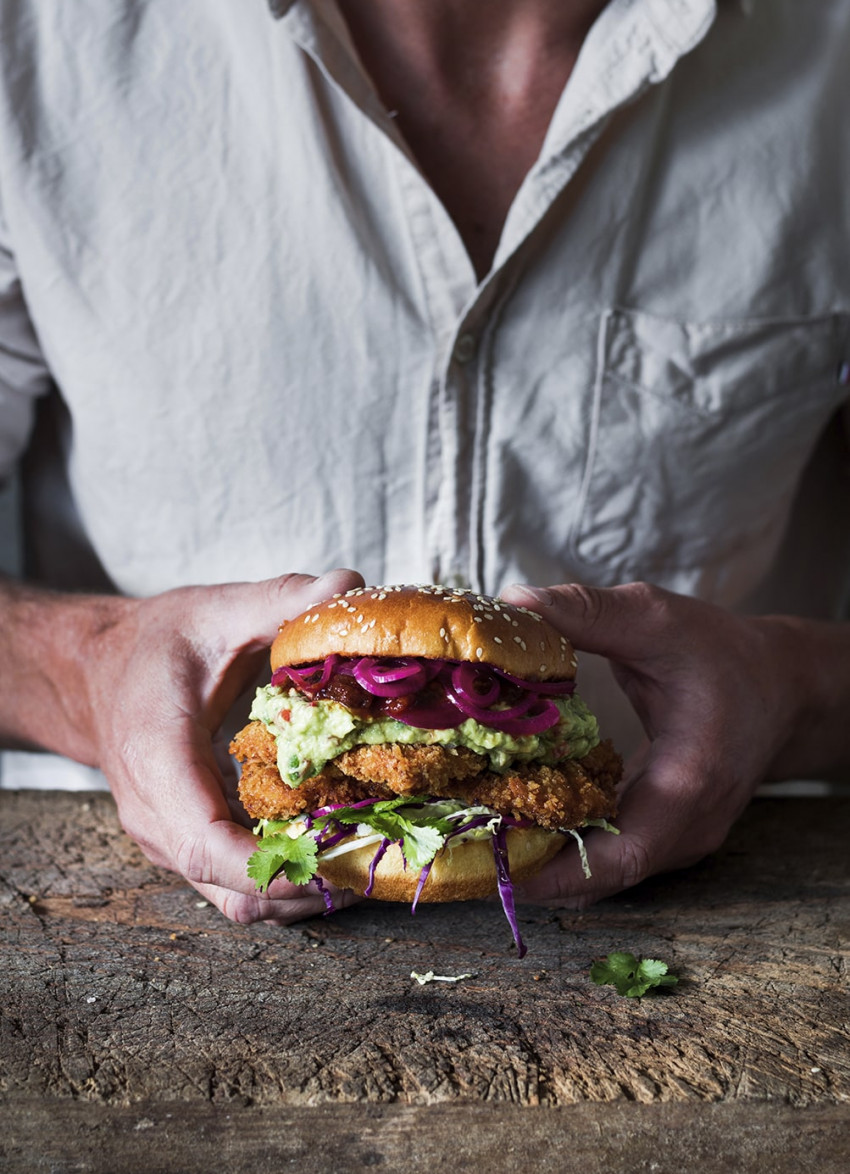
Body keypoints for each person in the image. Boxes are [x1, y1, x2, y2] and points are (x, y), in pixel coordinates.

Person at [1, 0, 848, 925]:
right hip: (105, 904)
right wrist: (86, 668)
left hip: (739, 906)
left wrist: (796, 688)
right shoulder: (39, 40)